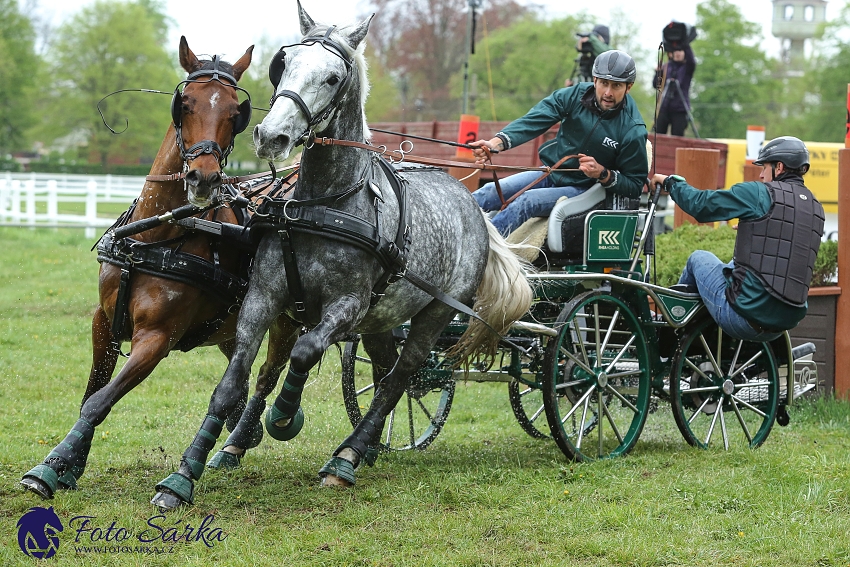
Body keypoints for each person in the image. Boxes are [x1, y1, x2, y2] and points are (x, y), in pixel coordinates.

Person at [651, 136, 825, 342]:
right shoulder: (816, 208)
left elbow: (701, 206)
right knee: (734, 265)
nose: (760, 175)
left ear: (779, 167)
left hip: (742, 317)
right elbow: (781, 252)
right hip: (783, 325)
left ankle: (668, 337)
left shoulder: (758, 194)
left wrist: (671, 183)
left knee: (698, 258)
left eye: (764, 168)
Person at [469, 49, 649, 236]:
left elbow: (635, 185)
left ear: (629, 87)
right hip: (550, 172)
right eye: (604, 83)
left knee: (526, 202)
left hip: (584, 190)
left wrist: (603, 174)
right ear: (595, 80)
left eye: (616, 86)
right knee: (488, 192)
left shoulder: (633, 130)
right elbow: (535, 119)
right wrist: (496, 143)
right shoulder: (575, 95)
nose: (608, 93)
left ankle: (478, 249)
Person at [653, 22, 697, 136]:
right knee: (657, 137)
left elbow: (691, 60)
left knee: (677, 137)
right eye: (676, 50)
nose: (678, 53)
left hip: (680, 109)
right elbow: (656, 85)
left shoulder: (687, 68)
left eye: (680, 51)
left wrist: (684, 42)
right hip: (664, 107)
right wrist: (657, 72)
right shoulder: (666, 66)